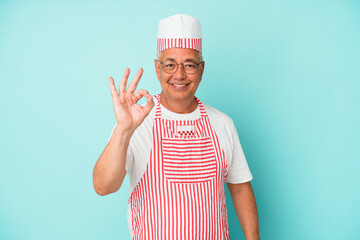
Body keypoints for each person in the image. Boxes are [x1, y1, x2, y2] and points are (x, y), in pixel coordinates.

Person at [93, 14, 260, 240]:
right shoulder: (136, 122)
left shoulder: (223, 124)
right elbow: (103, 186)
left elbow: (240, 188)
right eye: (170, 64)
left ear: (201, 69)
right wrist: (124, 129)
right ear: (157, 68)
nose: (179, 75)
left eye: (189, 65)